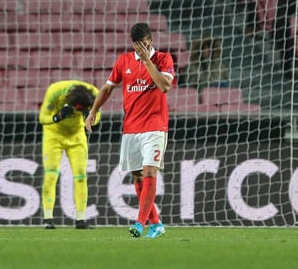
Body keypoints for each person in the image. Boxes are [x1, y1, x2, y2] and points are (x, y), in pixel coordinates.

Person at [85, 23, 175, 238]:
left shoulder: (163, 59)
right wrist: (92, 112)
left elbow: (164, 86)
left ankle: (139, 223)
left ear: (150, 41)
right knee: (137, 178)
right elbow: (107, 88)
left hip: (155, 126)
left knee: (150, 172)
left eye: (143, 45)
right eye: (136, 46)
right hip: (131, 127)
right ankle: (156, 224)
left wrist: (146, 61)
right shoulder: (123, 61)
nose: (139, 50)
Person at [39, 80, 101, 229]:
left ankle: (81, 220)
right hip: (53, 134)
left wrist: (91, 117)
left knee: (80, 176)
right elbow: (42, 118)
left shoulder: (95, 95)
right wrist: (57, 117)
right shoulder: (55, 91)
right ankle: (48, 219)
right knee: (51, 174)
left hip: (76, 135)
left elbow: (97, 118)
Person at [186, 35, 229, 101]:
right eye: (203, 48)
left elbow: (227, 83)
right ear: (199, 50)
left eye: (209, 47)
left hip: (220, 96)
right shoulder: (192, 67)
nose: (207, 50)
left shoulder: (220, 66)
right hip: (201, 98)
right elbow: (189, 88)